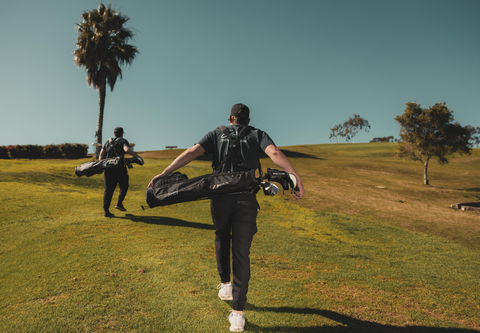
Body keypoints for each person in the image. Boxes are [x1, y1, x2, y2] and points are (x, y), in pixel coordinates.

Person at [147, 104, 304, 332]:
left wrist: (165, 173)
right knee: (242, 253)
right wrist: (296, 177)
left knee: (221, 237)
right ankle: (238, 315)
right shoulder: (257, 134)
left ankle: (225, 285)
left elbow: (191, 152)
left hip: (219, 197)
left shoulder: (216, 133)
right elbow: (275, 154)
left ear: (231, 118)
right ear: (247, 120)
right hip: (246, 199)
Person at [100, 127, 141, 217]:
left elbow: (101, 154)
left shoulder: (107, 142)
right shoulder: (123, 141)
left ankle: (106, 211)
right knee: (124, 186)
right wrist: (137, 156)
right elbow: (126, 149)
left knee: (108, 190)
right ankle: (119, 203)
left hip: (108, 169)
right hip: (119, 169)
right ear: (122, 133)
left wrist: (101, 165)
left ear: (114, 133)